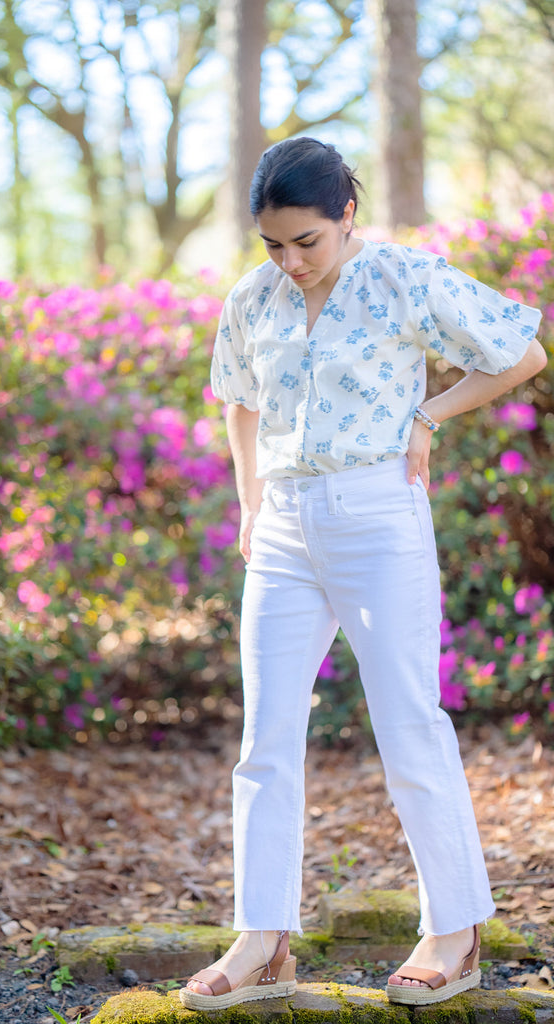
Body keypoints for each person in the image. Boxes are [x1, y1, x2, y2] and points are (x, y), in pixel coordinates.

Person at [179, 137, 546, 1010]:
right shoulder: (254, 295)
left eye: (306, 240)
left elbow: (522, 354)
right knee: (264, 741)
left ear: (346, 215)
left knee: (409, 723)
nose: (290, 261)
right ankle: (263, 941)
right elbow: (239, 400)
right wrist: (249, 501)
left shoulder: (403, 277)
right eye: (274, 244)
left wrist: (430, 412)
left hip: (379, 514)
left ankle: (453, 932)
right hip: (283, 528)